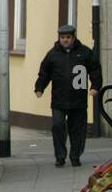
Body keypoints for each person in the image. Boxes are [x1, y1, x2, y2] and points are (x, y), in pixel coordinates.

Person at [35, 23, 102, 167]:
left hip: (78, 99)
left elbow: (95, 70)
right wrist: (39, 87)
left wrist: (95, 86)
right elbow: (44, 73)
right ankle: (60, 156)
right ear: (59, 38)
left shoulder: (85, 53)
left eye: (68, 37)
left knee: (77, 129)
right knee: (58, 126)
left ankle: (75, 156)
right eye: (63, 37)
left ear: (73, 37)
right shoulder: (52, 54)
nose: (65, 40)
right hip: (59, 100)